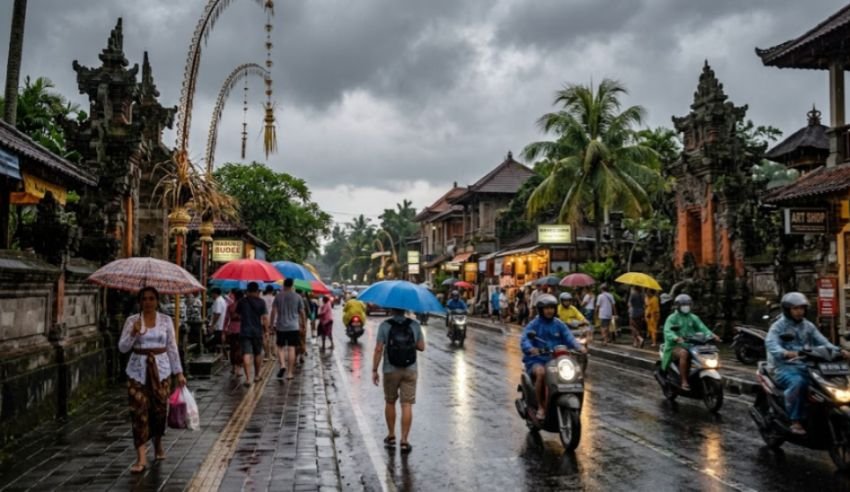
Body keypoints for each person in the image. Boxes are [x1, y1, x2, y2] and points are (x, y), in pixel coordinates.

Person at [118, 287, 186, 474]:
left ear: (157, 301)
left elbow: (172, 347)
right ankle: (141, 457)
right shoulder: (132, 321)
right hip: (137, 371)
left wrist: (178, 372)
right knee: (138, 411)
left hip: (161, 370)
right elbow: (122, 348)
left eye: (152, 299)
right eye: (144, 299)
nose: (148, 302)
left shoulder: (166, 321)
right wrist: (133, 333)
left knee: (158, 411)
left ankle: (157, 443)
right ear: (140, 301)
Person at [765, 292, 850, 436]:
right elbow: (771, 342)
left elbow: (823, 342)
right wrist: (785, 352)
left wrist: (840, 351)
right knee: (798, 383)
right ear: (787, 310)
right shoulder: (778, 326)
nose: (800, 312)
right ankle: (795, 420)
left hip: (808, 365)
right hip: (786, 367)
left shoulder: (808, 326)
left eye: (802, 308)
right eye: (795, 309)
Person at [520, 294, 586, 420]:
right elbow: (525, 339)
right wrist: (531, 349)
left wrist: (579, 347)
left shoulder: (559, 324)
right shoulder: (534, 324)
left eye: (551, 308)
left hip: (556, 360)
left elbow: (569, 337)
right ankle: (540, 406)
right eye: (546, 308)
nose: (549, 311)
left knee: (575, 372)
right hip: (537, 359)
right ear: (541, 310)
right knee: (541, 373)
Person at [372, 308, 425, 454]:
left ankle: (391, 436)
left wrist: (374, 369)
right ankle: (404, 440)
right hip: (410, 369)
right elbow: (422, 347)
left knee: (390, 402)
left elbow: (378, 349)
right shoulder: (414, 325)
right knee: (406, 404)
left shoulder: (385, 325)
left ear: (392, 309)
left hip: (390, 370)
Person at [661, 294, 719, 391]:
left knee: (706, 352)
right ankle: (684, 380)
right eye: (683, 305)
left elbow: (703, 328)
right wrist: (675, 338)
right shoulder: (672, 318)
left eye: (687, 304)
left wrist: (712, 335)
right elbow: (668, 331)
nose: (686, 307)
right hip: (675, 345)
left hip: (692, 344)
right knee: (684, 353)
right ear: (678, 306)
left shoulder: (693, 317)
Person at [270, 278, 306, 380]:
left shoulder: (278, 296)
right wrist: (303, 324)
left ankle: (282, 365)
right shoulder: (297, 296)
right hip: (294, 327)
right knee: (291, 348)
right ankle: (290, 373)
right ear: (292, 285)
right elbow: (302, 312)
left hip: (281, 326)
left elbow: (273, 311)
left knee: (280, 347)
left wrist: (271, 324)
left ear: (284, 285)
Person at [237, 282, 268, 387]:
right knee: (257, 353)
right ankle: (257, 375)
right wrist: (267, 331)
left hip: (245, 330)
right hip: (257, 331)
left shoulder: (242, 301)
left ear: (247, 290)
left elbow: (237, 315)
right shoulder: (261, 302)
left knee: (246, 353)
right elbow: (264, 318)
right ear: (257, 290)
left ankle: (248, 378)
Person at [224, 289, 244, 377]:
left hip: (232, 328)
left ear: (235, 296)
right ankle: (239, 368)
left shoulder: (230, 306)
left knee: (232, 348)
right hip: (242, 329)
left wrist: (225, 329)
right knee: (240, 349)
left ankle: (233, 367)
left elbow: (226, 318)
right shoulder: (245, 306)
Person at [209, 288, 228, 354]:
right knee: (219, 342)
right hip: (220, 325)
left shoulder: (218, 301)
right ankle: (222, 354)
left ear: (215, 293)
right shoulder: (222, 300)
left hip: (218, 325)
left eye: (212, 294)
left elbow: (217, 313)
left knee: (215, 342)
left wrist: (212, 325)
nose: (211, 295)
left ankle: (218, 354)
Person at [262, 285, 277, 360]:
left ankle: (266, 353)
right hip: (273, 320)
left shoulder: (262, 298)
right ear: (272, 291)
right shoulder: (275, 298)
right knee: (273, 337)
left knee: (265, 336)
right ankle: (272, 353)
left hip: (263, 320)